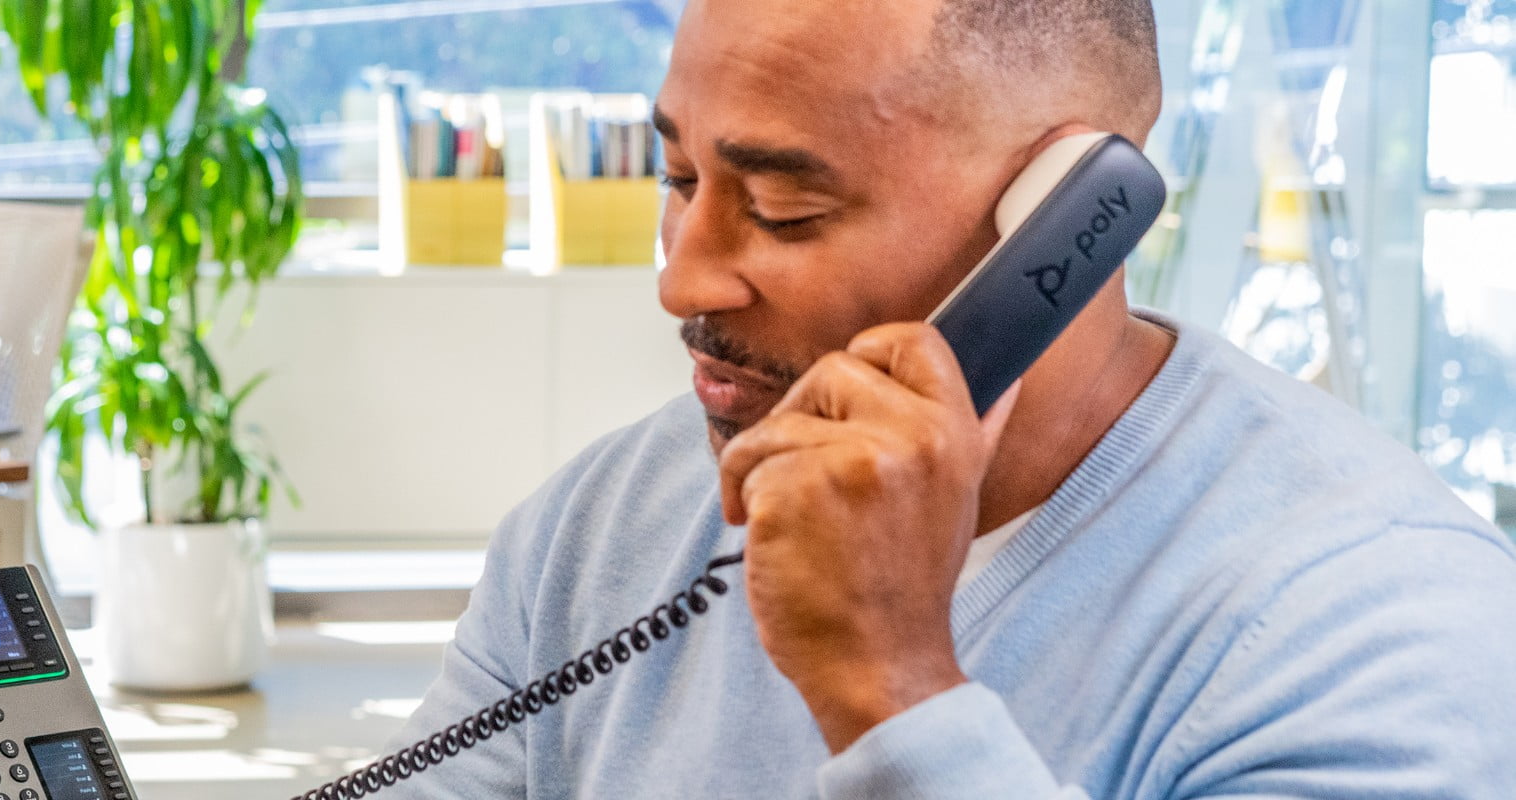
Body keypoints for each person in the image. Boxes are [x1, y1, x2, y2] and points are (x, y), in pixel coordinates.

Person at [377, 0, 1516, 796]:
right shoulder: (603, 525)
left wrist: (890, 688)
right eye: (679, 180)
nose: (681, 275)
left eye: (779, 205)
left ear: (1064, 218)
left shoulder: (1383, 629)